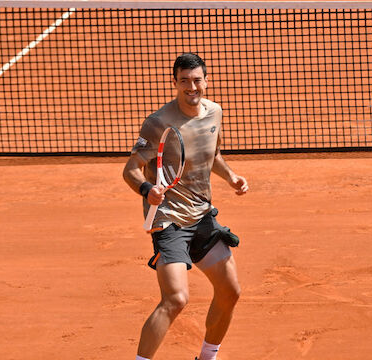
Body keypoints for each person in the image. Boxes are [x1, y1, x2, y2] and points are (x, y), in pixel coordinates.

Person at [123, 53, 249, 360]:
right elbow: (130, 169)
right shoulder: (158, 123)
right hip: (169, 220)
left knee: (230, 290)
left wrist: (231, 177)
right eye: (184, 81)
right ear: (175, 83)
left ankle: (207, 357)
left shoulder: (215, 113)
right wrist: (146, 188)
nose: (191, 87)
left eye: (196, 80)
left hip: (203, 215)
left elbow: (212, 154)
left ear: (206, 81)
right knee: (176, 299)